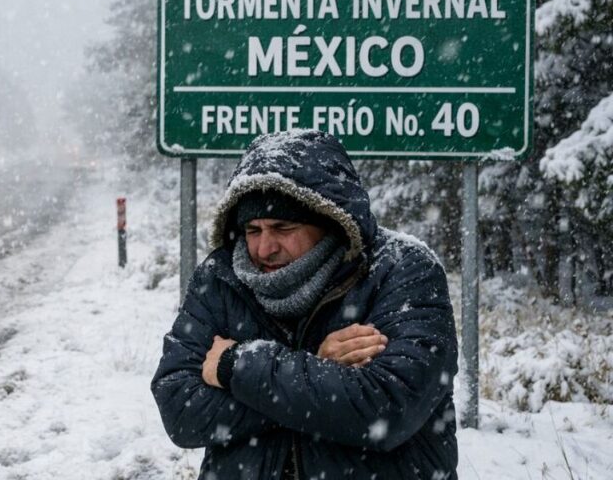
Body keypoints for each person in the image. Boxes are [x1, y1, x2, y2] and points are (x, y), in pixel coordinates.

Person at [151, 129, 459, 480]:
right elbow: (180, 410)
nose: (264, 248)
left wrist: (236, 367)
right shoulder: (221, 279)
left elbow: (386, 410)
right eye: (253, 230)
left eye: (282, 227)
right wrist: (316, 369)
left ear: (329, 219)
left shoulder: (402, 270)